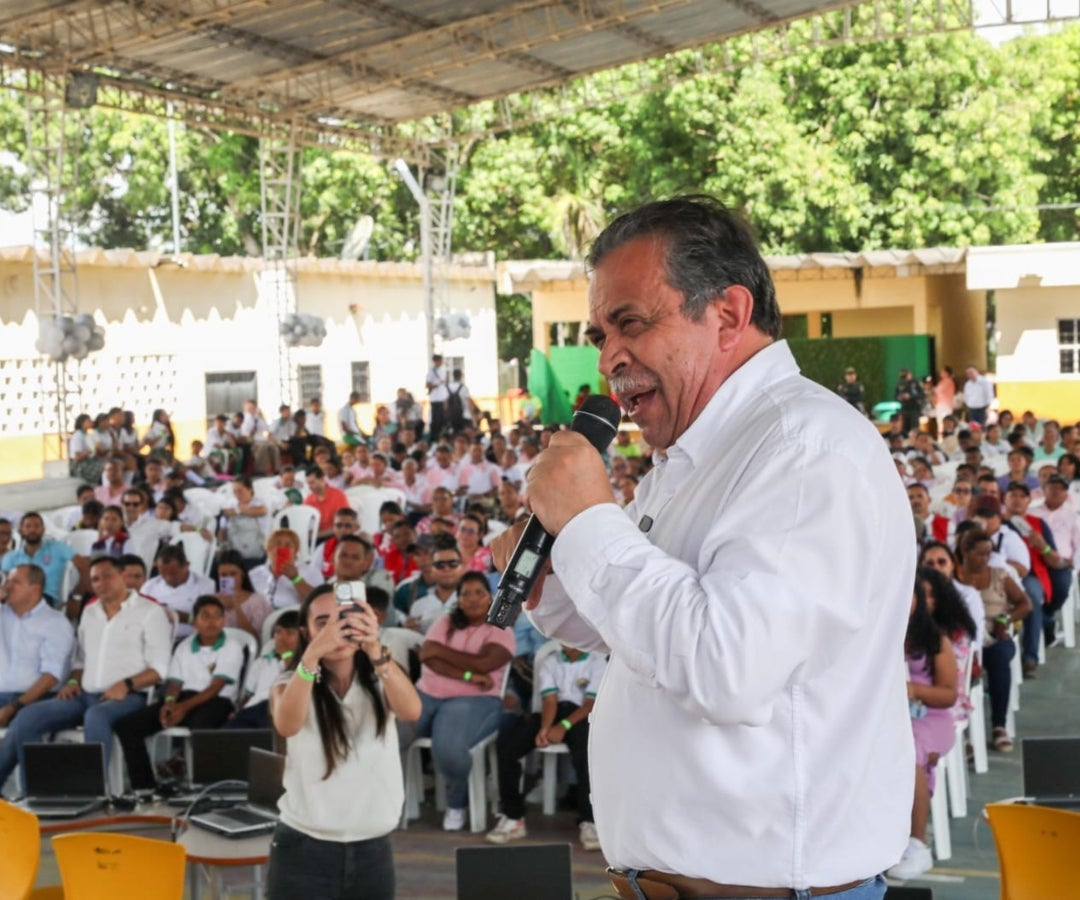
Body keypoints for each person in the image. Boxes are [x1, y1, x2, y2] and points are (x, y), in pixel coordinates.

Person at [493, 197, 913, 898]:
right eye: (599, 334)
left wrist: (594, 523)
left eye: (629, 323)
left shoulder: (803, 447)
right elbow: (650, 634)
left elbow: (726, 666)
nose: (608, 358)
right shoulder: (701, 452)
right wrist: (556, 575)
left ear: (727, 315)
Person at [267, 585, 421, 900]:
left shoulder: (383, 676)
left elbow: (411, 710)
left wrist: (375, 648)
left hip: (373, 846)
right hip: (304, 846)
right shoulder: (289, 682)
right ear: (306, 632)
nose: (337, 630)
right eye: (324, 622)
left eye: (345, 619)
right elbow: (287, 724)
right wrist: (312, 655)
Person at [0, 556, 171, 790]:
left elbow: (160, 669)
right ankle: (37, 792)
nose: (101, 583)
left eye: (107, 576)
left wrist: (127, 685)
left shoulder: (150, 612)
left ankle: (93, 791)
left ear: (123, 576)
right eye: (94, 579)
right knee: (29, 715)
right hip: (86, 695)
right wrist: (72, 681)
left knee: (97, 716)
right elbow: (80, 660)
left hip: (131, 696)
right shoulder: (90, 614)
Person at [409, 571, 515, 831]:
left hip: (474, 700)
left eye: (479, 592)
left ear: (490, 596)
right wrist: (469, 674)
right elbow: (427, 657)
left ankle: (457, 803)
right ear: (458, 600)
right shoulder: (445, 621)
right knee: (390, 734)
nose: (472, 599)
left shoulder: (500, 626)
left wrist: (440, 652)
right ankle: (388, 800)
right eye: (465, 594)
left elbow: (486, 662)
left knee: (449, 749)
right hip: (428, 692)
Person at [113, 595, 244, 793]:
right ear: (194, 621)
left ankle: (204, 789)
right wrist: (170, 703)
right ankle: (145, 788)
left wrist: (182, 708)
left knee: (201, 727)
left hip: (217, 701)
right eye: (205, 616)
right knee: (127, 726)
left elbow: (215, 687)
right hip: (184, 699)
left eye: (217, 616)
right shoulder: (184, 646)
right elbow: (175, 682)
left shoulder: (231, 646)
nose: (212, 621)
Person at [488, 643, 605, 850]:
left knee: (587, 755)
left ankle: (590, 821)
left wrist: (563, 726)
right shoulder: (551, 661)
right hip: (552, 713)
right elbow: (549, 700)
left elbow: (590, 704)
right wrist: (545, 728)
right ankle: (513, 817)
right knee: (508, 748)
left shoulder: (597, 663)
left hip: (581, 717)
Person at [886, 579, 958, 881]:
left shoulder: (934, 641)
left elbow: (949, 695)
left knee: (909, 746)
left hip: (930, 718)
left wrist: (913, 689)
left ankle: (918, 843)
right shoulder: (881, 634)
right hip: (889, 718)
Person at [955, 528, 1031, 752]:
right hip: (964, 641)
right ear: (965, 552)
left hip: (994, 635)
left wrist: (1006, 618)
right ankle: (965, 735)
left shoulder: (1000, 575)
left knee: (999, 660)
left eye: (989, 553)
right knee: (958, 669)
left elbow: (1025, 604)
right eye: (980, 553)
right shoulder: (955, 576)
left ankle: (999, 725)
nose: (985, 558)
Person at [0, 564, 75, 728]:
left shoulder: (55, 623)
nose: (7, 586)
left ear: (34, 589)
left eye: (15, 582)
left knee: (25, 722)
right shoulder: (2, 613)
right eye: (8, 581)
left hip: (34, 699)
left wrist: (14, 707)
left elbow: (51, 677)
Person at [225, 609, 300, 730]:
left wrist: (286, 654)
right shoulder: (262, 662)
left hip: (279, 708)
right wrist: (238, 711)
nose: (281, 637)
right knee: (227, 732)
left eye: (290, 633)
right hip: (254, 709)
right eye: (278, 632)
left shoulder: (306, 662)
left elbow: (293, 676)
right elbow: (248, 696)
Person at [426, 354, 449, 440]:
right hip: (435, 399)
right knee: (436, 420)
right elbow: (428, 385)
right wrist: (437, 384)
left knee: (443, 420)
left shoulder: (442, 370)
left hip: (443, 398)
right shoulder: (431, 372)